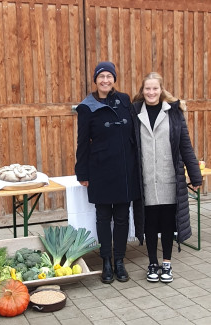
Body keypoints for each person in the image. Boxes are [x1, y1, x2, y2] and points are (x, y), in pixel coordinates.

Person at [75, 61, 142, 284]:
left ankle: (120, 261)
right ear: (95, 80)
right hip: (100, 169)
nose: (105, 80)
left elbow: (134, 134)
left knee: (122, 217)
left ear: (114, 79)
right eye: (101, 76)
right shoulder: (87, 106)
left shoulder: (124, 100)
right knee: (103, 217)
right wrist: (82, 172)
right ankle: (106, 261)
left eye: (109, 76)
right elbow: (83, 142)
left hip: (124, 170)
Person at [132, 72, 202, 283]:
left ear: (161, 90)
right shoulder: (135, 112)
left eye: (155, 88)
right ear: (142, 91)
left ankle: (167, 264)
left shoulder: (173, 112)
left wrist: (195, 176)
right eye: (147, 88)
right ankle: (152, 263)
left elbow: (185, 146)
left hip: (169, 178)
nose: (151, 92)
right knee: (150, 223)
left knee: (167, 223)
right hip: (146, 181)